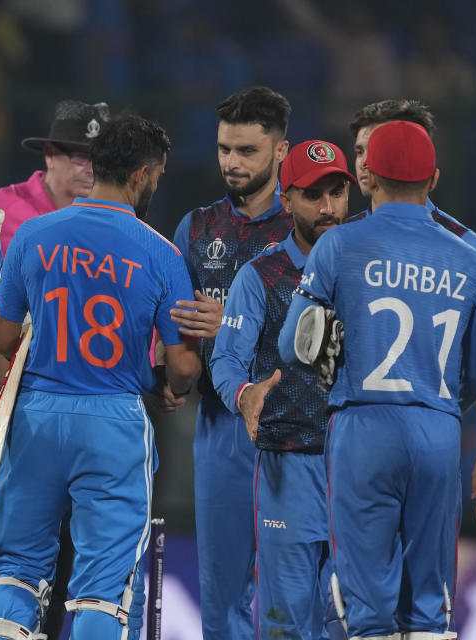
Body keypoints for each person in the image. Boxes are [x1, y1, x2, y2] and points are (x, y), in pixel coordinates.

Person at [0, 113, 201, 640]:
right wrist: (170, 376)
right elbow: (185, 369)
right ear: (144, 174)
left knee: (16, 572)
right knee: (104, 589)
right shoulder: (161, 253)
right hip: (113, 423)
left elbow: (1, 339)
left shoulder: (33, 234)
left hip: (35, 416)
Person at [278, 121, 476, 639]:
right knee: (428, 610)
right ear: (435, 178)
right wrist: (438, 401)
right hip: (438, 431)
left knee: (366, 607)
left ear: (368, 177)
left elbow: (294, 346)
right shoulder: (468, 256)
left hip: (362, 427)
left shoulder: (337, 246)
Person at [0, 98, 110, 640]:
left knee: (61, 564)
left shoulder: (112, 222)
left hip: (80, 416)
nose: (89, 168)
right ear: (51, 155)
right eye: (78, 155)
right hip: (2, 418)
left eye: (98, 158)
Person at [209, 140, 355, 639]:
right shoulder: (261, 276)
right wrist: (244, 394)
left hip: (361, 465)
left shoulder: (368, 269)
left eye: (338, 192)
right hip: (289, 467)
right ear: (287, 201)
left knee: (356, 623)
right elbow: (226, 358)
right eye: (314, 195)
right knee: (285, 625)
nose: (329, 207)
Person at [171, 86, 294, 640]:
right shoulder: (196, 231)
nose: (232, 162)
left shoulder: (309, 227)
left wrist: (236, 328)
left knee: (298, 598)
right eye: (225, 149)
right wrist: (170, 368)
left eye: (246, 150)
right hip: (220, 432)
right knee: (221, 603)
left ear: (281, 151)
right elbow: (173, 330)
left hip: (300, 431)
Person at [347, 98, 476, 513]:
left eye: (377, 149)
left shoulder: (463, 244)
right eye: (360, 150)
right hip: (355, 443)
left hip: (429, 437)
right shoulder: (342, 240)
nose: (365, 163)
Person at [0, 99, 111, 256]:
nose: (92, 170)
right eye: (81, 157)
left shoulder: (109, 225)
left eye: (101, 159)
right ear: (50, 155)